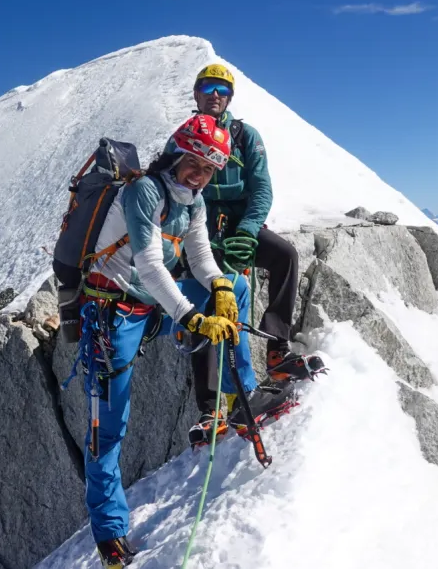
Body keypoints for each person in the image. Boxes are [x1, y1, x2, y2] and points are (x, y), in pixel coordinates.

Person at [75, 114, 252, 568]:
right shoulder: (145, 191)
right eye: (195, 163)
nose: (200, 175)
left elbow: (200, 258)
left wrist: (222, 288)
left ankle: (239, 393)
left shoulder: (193, 201)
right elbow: (151, 265)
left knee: (240, 285)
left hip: (151, 302)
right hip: (111, 311)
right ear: (176, 155)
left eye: (209, 169)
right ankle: (110, 532)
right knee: (107, 426)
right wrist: (193, 317)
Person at [179, 64, 325, 447]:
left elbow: (261, 189)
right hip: (201, 231)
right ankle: (211, 406)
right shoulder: (184, 137)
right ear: (196, 94)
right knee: (208, 297)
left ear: (229, 97)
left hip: (240, 224)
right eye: (207, 87)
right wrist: (200, 242)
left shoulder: (246, 136)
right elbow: (175, 190)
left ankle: (277, 348)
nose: (215, 94)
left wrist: (246, 232)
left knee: (285, 257)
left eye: (222, 89)